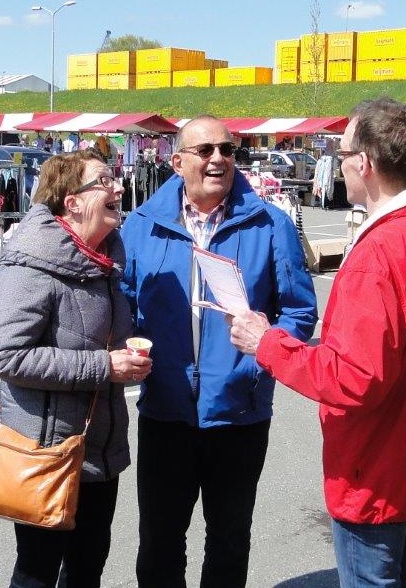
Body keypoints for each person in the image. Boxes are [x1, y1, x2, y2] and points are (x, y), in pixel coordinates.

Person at [228, 97, 406, 588]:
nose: (340, 159)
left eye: (343, 149)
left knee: (375, 577)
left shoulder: (381, 252)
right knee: (404, 568)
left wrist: (266, 343)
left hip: (378, 465)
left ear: (365, 164)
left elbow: (353, 378)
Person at [120, 115, 317, 588]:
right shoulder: (142, 225)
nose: (218, 160)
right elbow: (122, 305)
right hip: (166, 412)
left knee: (229, 541)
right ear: (177, 161)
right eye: (205, 150)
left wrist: (265, 340)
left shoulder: (271, 224)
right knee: (160, 542)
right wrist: (123, 349)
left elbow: (300, 312)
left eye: (227, 150)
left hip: (239, 412)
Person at [0, 149, 152, 588]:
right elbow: (8, 356)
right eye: (103, 181)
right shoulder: (30, 263)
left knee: (87, 568)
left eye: (114, 178)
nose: (117, 187)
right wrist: (104, 366)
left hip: (99, 451)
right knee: (37, 574)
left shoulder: (106, 261)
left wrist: (126, 357)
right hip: (47, 452)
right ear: (72, 201)